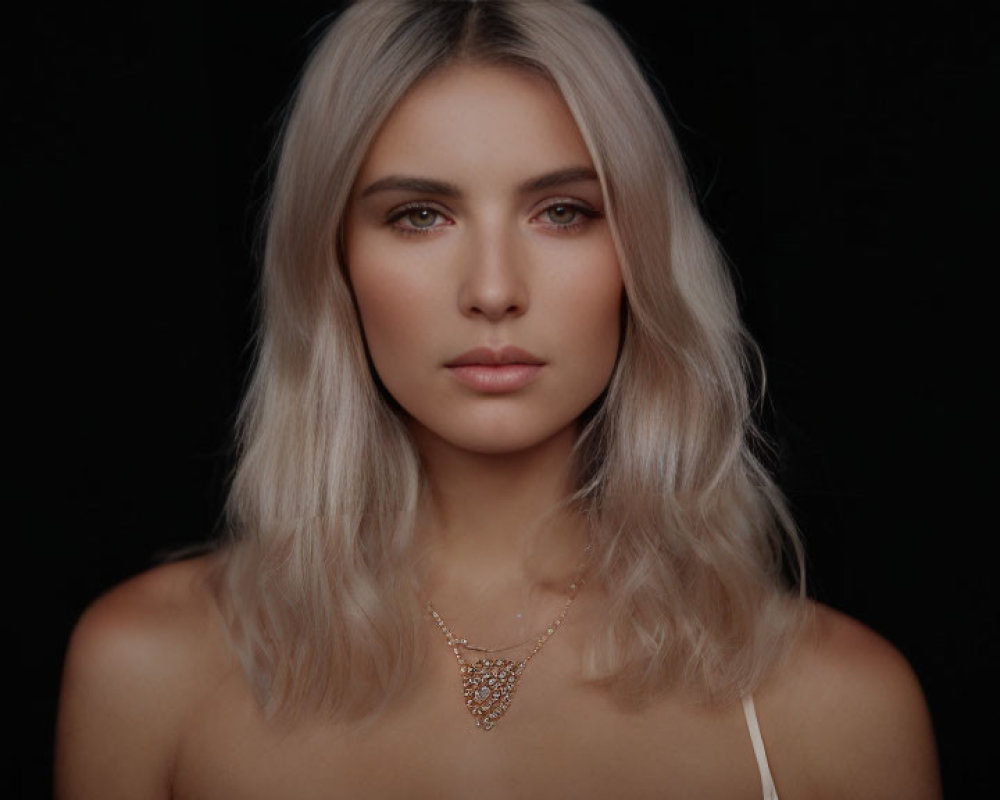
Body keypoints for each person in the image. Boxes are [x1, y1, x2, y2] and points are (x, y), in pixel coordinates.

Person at [55, 1, 940, 797]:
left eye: (562, 211)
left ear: (642, 257)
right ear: (330, 264)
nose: (492, 289)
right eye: (419, 215)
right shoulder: (145, 669)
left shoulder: (839, 708)